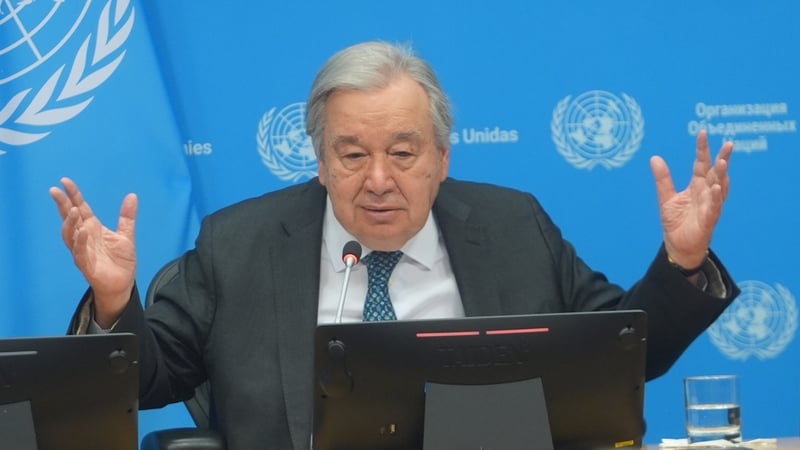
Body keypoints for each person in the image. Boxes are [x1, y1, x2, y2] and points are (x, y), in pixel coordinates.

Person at [50, 41, 738, 450]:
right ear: (319, 161)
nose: (378, 180)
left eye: (404, 152)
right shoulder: (239, 244)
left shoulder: (511, 227)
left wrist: (680, 262)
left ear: (442, 156)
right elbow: (146, 381)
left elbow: (618, 351)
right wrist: (115, 302)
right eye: (352, 154)